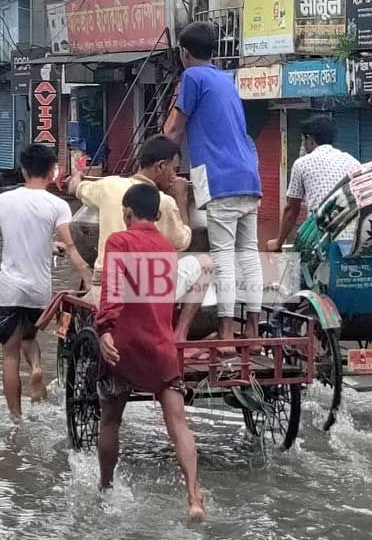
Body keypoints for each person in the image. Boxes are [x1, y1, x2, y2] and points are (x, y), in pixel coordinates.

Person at [95, 183, 205, 521]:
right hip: (161, 347)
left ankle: (106, 486)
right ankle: (194, 496)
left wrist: (104, 329)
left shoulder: (119, 241)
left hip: (125, 346)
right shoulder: (166, 248)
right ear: (157, 215)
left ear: (127, 213)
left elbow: (112, 289)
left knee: (110, 420)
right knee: (178, 423)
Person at [164, 21, 263, 344]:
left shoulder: (192, 76)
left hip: (220, 178)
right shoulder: (225, 77)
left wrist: (158, 164)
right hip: (249, 173)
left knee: (222, 255)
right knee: (248, 253)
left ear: (184, 53)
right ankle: (252, 325)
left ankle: (224, 329)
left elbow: (175, 130)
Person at [68, 135, 212, 341]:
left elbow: (76, 188)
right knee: (205, 264)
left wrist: (76, 178)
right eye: (174, 169)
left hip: (105, 284)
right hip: (145, 288)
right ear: (161, 166)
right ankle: (179, 335)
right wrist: (181, 199)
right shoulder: (164, 202)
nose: (175, 175)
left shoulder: (108, 186)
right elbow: (183, 242)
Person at [0, 144, 93, 420]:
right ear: (52, 172)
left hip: (10, 289)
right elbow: (72, 247)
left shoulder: (3, 202)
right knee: (30, 336)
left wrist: (48, 245)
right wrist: (88, 278)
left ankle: (15, 419)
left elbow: (19, 238)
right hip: (39, 291)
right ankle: (36, 367)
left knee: (10, 355)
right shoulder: (58, 205)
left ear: (23, 170)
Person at [266, 115, 361, 251]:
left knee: (299, 268)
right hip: (351, 239)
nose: (303, 146)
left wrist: (279, 242)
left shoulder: (302, 163)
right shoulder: (353, 162)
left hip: (319, 239)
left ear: (310, 140)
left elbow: (291, 210)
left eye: (303, 141)